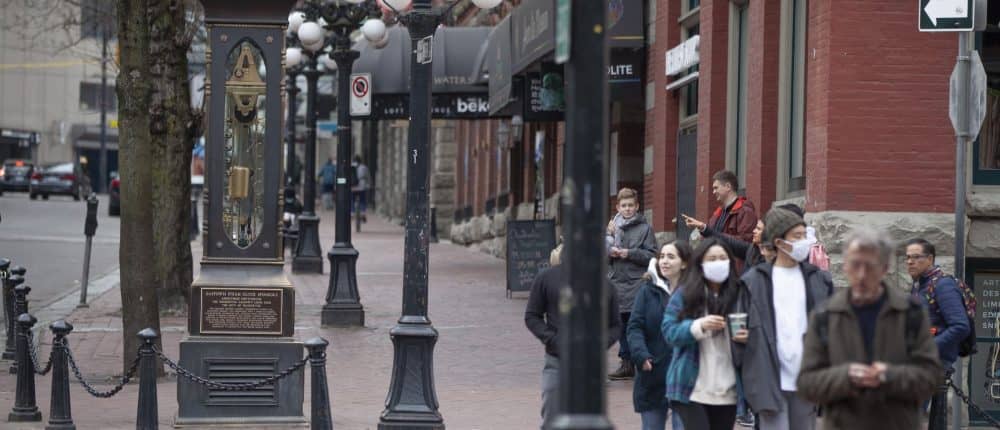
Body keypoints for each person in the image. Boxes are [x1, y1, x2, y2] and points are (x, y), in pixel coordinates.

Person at [797, 228, 941, 430]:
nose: (862, 275)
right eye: (855, 265)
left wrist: (888, 375)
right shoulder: (825, 315)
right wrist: (846, 377)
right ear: (845, 266)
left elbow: (931, 377)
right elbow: (806, 383)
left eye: (870, 266)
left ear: (884, 268)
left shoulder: (910, 313)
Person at [736, 208, 833, 430]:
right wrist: (741, 340)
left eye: (804, 235)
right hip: (768, 379)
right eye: (797, 236)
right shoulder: (754, 281)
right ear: (779, 242)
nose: (804, 242)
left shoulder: (818, 280)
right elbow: (737, 323)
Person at [524, 244, 622, 428]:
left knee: (589, 421)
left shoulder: (606, 286)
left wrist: (600, 344)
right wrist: (553, 339)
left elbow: (615, 325)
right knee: (552, 418)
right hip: (556, 362)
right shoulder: (547, 278)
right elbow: (532, 316)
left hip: (591, 366)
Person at [661, 238, 748, 430]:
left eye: (723, 258)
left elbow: (756, 329)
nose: (718, 263)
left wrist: (747, 337)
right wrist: (698, 326)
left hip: (728, 389)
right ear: (700, 263)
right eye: (712, 259)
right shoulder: (685, 293)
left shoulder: (740, 293)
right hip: (692, 387)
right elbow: (669, 331)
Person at [627, 241, 692, 430]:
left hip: (685, 377)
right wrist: (641, 355)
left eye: (671, 257)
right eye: (661, 256)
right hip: (653, 374)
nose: (664, 261)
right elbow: (635, 326)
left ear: (684, 263)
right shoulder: (647, 291)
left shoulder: (694, 293)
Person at [606, 187, 658, 380]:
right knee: (619, 324)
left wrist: (629, 253)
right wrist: (609, 248)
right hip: (616, 283)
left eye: (630, 205)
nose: (627, 209)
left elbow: (652, 255)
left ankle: (640, 360)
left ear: (637, 206)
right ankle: (626, 363)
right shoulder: (612, 228)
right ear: (618, 207)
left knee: (635, 323)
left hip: (636, 283)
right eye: (624, 205)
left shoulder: (645, 229)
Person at [905, 238, 970, 370]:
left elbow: (961, 326)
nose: (910, 262)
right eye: (908, 257)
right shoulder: (919, 286)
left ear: (930, 259)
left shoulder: (943, 285)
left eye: (916, 257)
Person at [682, 170, 758, 245]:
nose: (713, 192)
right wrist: (700, 228)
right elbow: (710, 233)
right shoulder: (718, 213)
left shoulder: (746, 211)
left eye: (716, 188)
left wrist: (704, 228)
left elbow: (745, 243)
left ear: (728, 186)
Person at [351, 155, 370, 223]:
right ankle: (363, 213)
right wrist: (369, 184)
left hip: (353, 186)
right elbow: (368, 176)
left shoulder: (351, 166)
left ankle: (352, 212)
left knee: (352, 200)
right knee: (363, 200)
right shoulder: (364, 167)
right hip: (362, 186)